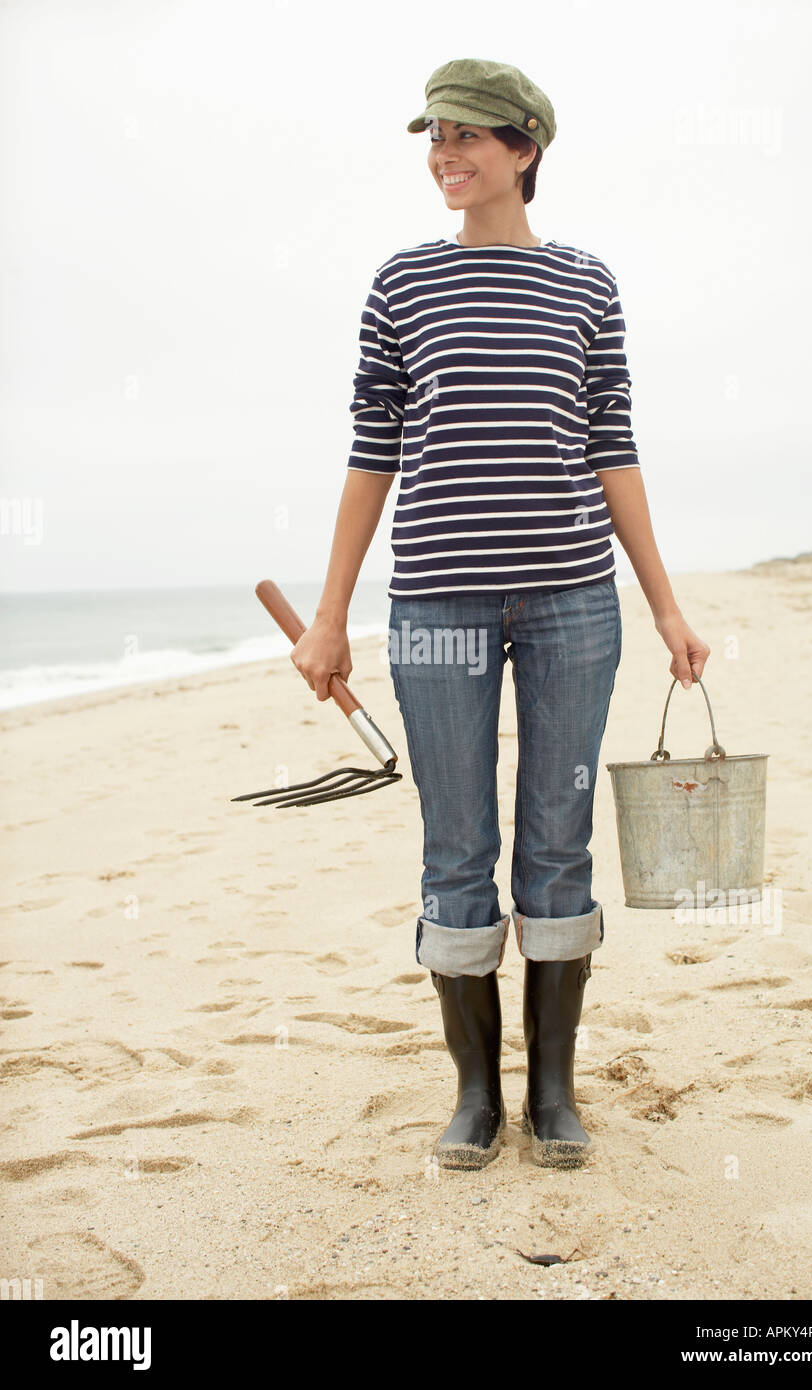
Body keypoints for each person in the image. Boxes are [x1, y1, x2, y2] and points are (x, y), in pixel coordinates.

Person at [291, 59, 710, 1171]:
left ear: (524, 148)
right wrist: (328, 617)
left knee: (557, 844)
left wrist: (663, 602)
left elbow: (611, 449)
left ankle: (556, 1090)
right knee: (456, 843)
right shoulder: (400, 284)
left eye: (469, 134)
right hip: (433, 602)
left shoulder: (585, 282)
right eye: (433, 131)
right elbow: (369, 454)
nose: (445, 151)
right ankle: (476, 1092)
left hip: (574, 599)